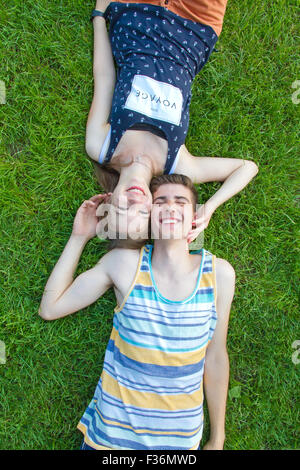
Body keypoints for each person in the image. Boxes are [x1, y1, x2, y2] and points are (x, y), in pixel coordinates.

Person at [39, 173, 235, 450]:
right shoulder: (123, 264)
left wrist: (218, 438)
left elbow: (215, 357)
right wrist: (79, 237)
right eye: (160, 202)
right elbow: (50, 308)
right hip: (109, 440)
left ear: (194, 218)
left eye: (180, 202)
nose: (169, 207)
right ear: (149, 217)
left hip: (179, 444)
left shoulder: (219, 274)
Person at [86, 0, 258, 243]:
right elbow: (247, 167)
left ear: (108, 199)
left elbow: (104, 78)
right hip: (196, 27)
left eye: (123, 209)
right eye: (142, 212)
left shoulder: (101, 145)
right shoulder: (178, 164)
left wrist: (99, 17)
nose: (134, 202)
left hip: (135, 18)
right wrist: (209, 208)